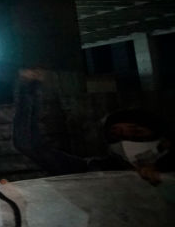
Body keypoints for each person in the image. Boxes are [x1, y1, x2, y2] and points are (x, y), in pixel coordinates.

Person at [12, 68, 171, 184]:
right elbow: (28, 144)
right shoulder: (98, 167)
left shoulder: (167, 160)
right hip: (96, 175)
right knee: (28, 145)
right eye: (117, 134)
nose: (127, 139)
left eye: (136, 132)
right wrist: (28, 88)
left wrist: (159, 169)